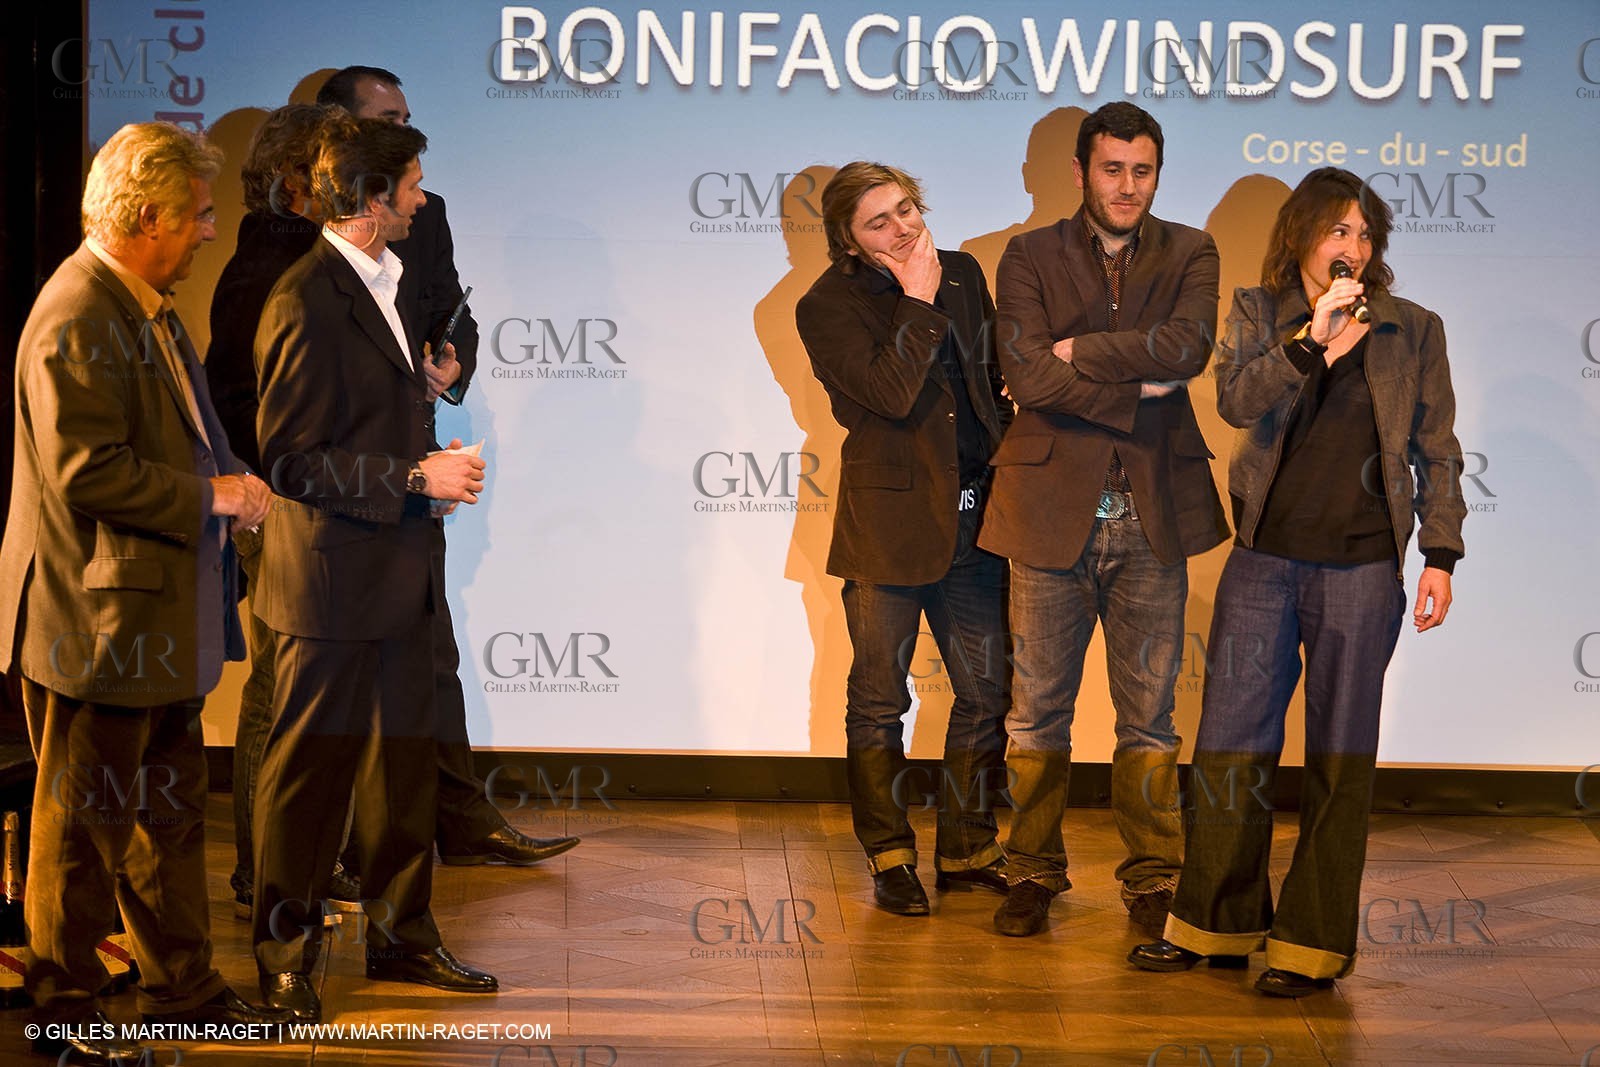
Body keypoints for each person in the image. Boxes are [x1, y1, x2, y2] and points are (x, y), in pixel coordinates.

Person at [1129, 166, 1466, 995]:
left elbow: (1438, 448)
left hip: (1361, 570)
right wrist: (1309, 341)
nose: (1350, 247)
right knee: (1231, 745)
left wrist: (1441, 555)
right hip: (1264, 563)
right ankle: (1213, 922)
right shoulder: (1259, 313)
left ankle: (1311, 944)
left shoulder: (1412, 329)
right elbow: (1238, 403)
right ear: (1302, 239)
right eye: (1335, 231)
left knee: (1340, 756)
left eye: (1363, 233)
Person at [0, 122, 285, 1064]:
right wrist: (215, 495)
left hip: (158, 618)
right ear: (147, 216)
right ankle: (65, 1012)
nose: (210, 232)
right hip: (100, 624)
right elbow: (88, 471)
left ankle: (185, 990)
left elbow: (187, 440)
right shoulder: (79, 310)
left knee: (166, 818)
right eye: (199, 216)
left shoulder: (143, 303)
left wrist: (231, 487)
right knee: (84, 833)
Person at [250, 114, 494, 1022]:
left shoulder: (385, 281)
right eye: (413, 186)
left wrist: (418, 396)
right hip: (328, 581)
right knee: (310, 777)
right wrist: (412, 473)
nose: (423, 199)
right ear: (371, 199)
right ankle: (284, 955)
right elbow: (289, 459)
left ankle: (404, 935)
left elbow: (354, 418)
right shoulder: (303, 297)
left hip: (400, 567)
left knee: (402, 772)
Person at [316, 64, 578, 866]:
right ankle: (336, 853)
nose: (403, 128)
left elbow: (450, 309)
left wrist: (449, 358)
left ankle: (457, 819)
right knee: (344, 680)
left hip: (414, 464)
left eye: (407, 113)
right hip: (338, 485)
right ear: (343, 132)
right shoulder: (310, 238)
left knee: (432, 653)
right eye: (386, 117)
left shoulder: (426, 218)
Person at [980, 101, 1228, 937]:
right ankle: (1031, 870)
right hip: (1050, 511)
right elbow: (1024, 372)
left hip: (1152, 511)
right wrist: (1139, 385)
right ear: (1082, 170)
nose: (1128, 186)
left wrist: (1078, 351)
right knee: (1036, 711)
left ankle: (1153, 878)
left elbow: (1188, 349)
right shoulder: (1027, 254)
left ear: (1158, 173)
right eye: (1112, 168)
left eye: (1143, 170)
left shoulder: (1192, 249)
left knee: (1149, 717)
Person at [795, 162, 1013, 915]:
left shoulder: (962, 272)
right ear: (848, 241)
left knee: (987, 691)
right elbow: (885, 396)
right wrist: (916, 302)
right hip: (887, 529)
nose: (904, 228)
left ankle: (967, 842)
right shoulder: (824, 305)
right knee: (879, 698)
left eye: (908, 208)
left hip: (975, 518)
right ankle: (890, 854)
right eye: (879, 221)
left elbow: (985, 384)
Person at [203, 102, 368, 918]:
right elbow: (245, 400)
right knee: (281, 692)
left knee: (310, 693)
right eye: (341, 169)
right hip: (285, 509)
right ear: (299, 182)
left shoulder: (299, 259)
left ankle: (299, 858)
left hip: (305, 503)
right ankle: (263, 870)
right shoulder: (272, 266)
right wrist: (266, 499)